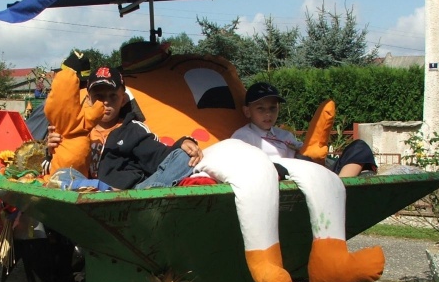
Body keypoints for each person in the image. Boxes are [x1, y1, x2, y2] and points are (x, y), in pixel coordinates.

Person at [49, 66, 202, 190]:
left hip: (129, 194)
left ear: (123, 100)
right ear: (89, 99)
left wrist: (183, 143)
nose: (106, 102)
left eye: (113, 96)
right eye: (99, 96)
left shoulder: (133, 130)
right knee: (62, 174)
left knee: (183, 158)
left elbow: (160, 156)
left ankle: (146, 195)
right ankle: (101, 191)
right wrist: (51, 152)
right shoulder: (74, 129)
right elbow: (50, 169)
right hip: (85, 195)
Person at [232, 82, 377, 177]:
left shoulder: (285, 135)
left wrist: (313, 155)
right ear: (247, 111)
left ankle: (341, 185)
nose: (268, 114)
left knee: (359, 147)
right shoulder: (243, 137)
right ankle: (340, 189)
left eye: (272, 108)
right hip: (285, 179)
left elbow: (307, 152)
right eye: (260, 108)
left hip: (312, 173)